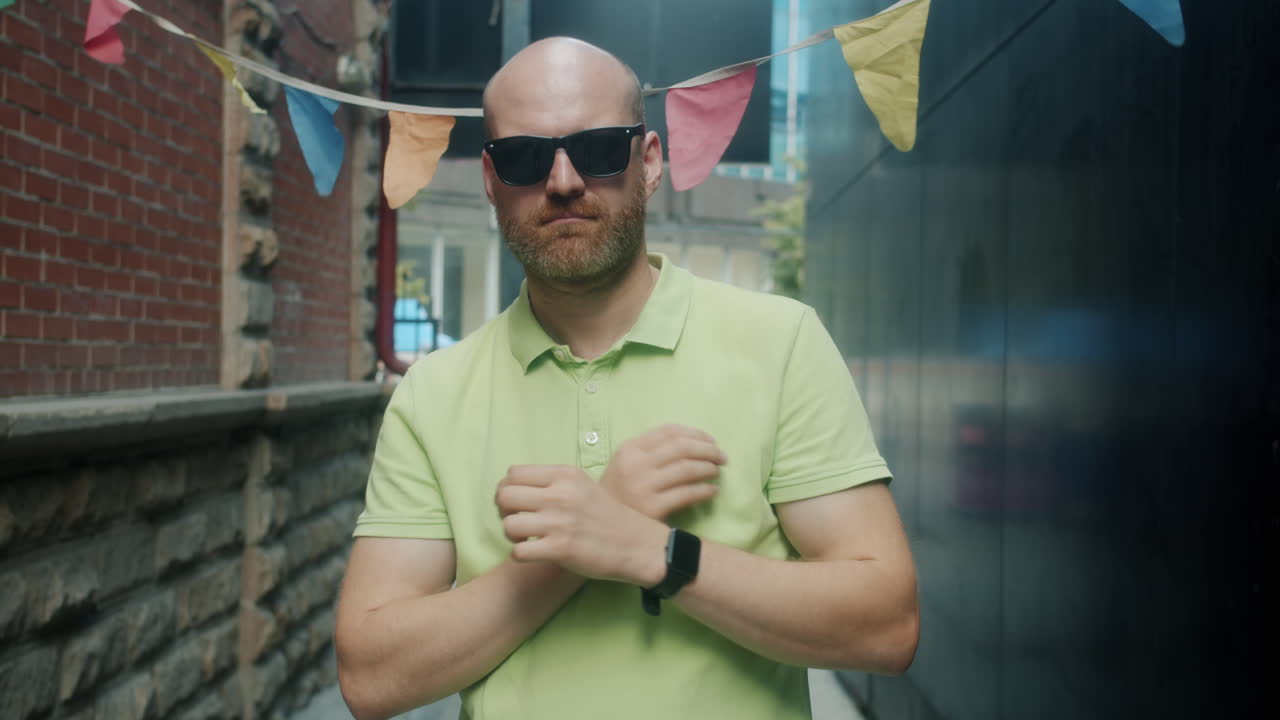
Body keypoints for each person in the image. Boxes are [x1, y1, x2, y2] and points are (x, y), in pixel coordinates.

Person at [335, 37, 918, 720]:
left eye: (599, 148)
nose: (562, 181)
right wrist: (569, 554)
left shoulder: (781, 343)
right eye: (526, 157)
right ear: (492, 182)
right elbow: (371, 677)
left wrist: (653, 551)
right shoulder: (431, 394)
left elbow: (887, 624)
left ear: (648, 163)